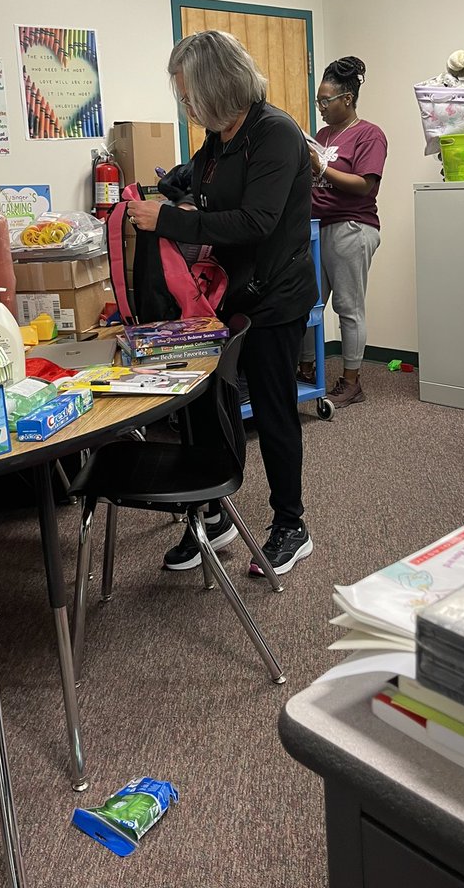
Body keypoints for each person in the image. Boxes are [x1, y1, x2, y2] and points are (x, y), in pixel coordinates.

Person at [126, 30, 317, 576]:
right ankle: (217, 512)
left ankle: (290, 524)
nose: (185, 104)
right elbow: (195, 185)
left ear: (215, 86)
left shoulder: (275, 133)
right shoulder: (219, 138)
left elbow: (256, 221)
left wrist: (167, 218)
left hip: (276, 296)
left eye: (188, 94)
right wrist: (157, 192)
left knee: (276, 410)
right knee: (213, 404)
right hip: (228, 296)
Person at [299, 56, 387, 407]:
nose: (320, 106)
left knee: (348, 308)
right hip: (316, 230)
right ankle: (306, 369)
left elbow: (364, 185)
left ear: (347, 99)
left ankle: (352, 381)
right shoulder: (323, 134)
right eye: (318, 100)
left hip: (351, 227)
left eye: (325, 100)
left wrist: (319, 164)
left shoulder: (370, 134)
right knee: (309, 304)